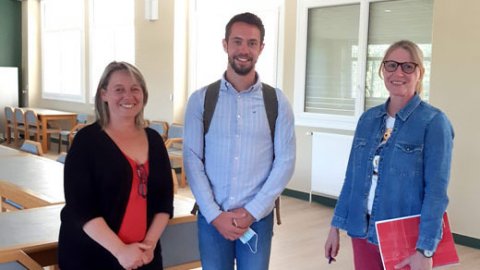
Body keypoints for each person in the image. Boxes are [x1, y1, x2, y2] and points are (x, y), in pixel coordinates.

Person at [324, 40, 454, 270]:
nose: (398, 73)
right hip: (362, 232)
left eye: (408, 67)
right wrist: (335, 226)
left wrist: (425, 249)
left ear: (420, 73)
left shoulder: (434, 123)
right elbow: (351, 179)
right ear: (382, 70)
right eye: (391, 65)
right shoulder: (368, 120)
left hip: (404, 236)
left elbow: (436, 193)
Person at [183, 12, 296, 270]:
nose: (244, 49)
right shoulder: (201, 100)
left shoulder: (277, 102)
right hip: (212, 219)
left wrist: (252, 211)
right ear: (225, 44)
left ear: (261, 48)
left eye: (252, 43)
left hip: (257, 219)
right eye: (237, 41)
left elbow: (285, 162)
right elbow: (192, 159)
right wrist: (214, 214)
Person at [58, 61, 174, 270]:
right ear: (104, 94)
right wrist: (120, 251)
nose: (128, 96)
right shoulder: (87, 141)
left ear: (143, 95)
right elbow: (81, 207)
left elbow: (164, 201)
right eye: (119, 90)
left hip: (143, 257)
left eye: (134, 89)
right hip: (92, 256)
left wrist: (149, 245)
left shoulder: (154, 140)